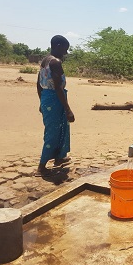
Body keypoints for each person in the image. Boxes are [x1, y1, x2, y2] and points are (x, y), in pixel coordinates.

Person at [35, 35, 75, 177]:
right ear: (58, 45)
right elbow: (58, 87)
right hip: (56, 99)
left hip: (47, 98)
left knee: (61, 127)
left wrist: (41, 101)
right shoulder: (55, 62)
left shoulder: (45, 60)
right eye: (65, 49)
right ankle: (41, 167)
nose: (65, 53)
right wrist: (68, 109)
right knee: (52, 132)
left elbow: (38, 83)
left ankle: (59, 156)